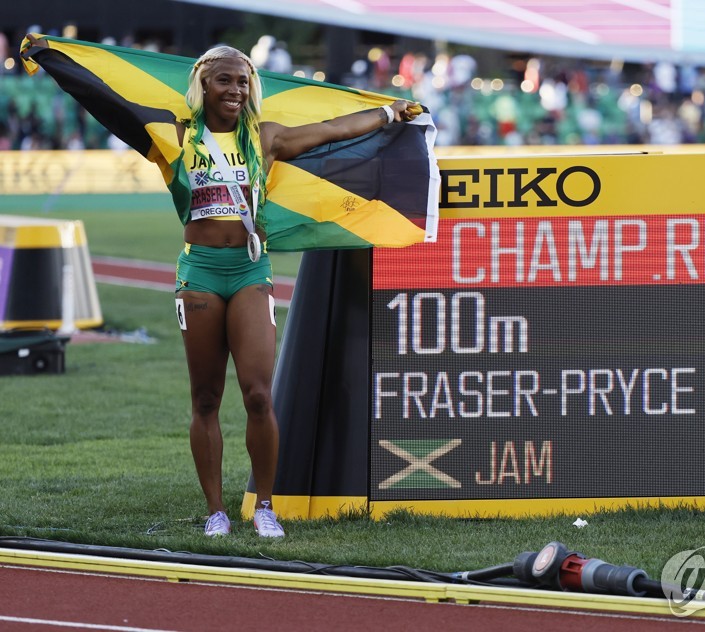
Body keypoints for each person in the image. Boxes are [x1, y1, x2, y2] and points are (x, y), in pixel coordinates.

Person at [28, 35, 419, 538]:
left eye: (243, 81)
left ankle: (265, 508)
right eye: (225, 80)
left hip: (250, 271)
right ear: (203, 85)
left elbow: (331, 130)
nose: (236, 89)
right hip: (200, 273)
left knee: (258, 395)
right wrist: (55, 56)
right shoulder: (173, 137)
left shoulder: (266, 138)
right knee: (206, 398)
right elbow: (108, 99)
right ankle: (215, 510)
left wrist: (389, 114)